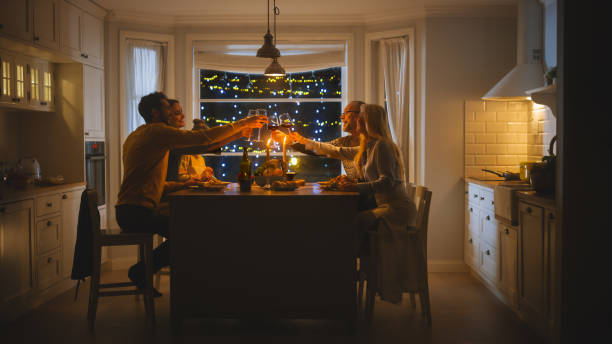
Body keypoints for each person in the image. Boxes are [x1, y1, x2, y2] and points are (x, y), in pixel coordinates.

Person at [116, 92, 266, 294]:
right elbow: (203, 138)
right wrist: (243, 123)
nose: (171, 111)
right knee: (190, 234)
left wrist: (183, 184)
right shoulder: (157, 132)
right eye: (167, 108)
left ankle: (182, 283)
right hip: (137, 212)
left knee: (190, 231)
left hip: (128, 209)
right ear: (155, 112)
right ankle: (147, 273)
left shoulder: (137, 134)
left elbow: (150, 183)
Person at [290, 103, 417, 303]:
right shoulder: (368, 145)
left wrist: (356, 187)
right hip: (384, 205)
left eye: (360, 117)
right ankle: (347, 273)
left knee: (355, 222)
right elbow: (336, 150)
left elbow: (388, 182)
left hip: (395, 208)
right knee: (349, 224)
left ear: (369, 121)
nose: (355, 120)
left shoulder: (382, 146)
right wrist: (300, 140)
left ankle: (348, 273)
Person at [290, 100, 363, 180]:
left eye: (346, 113)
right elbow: (320, 150)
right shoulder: (344, 141)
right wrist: (291, 141)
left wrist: (301, 139)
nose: (341, 117)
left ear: (359, 116)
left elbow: (332, 150)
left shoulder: (372, 143)